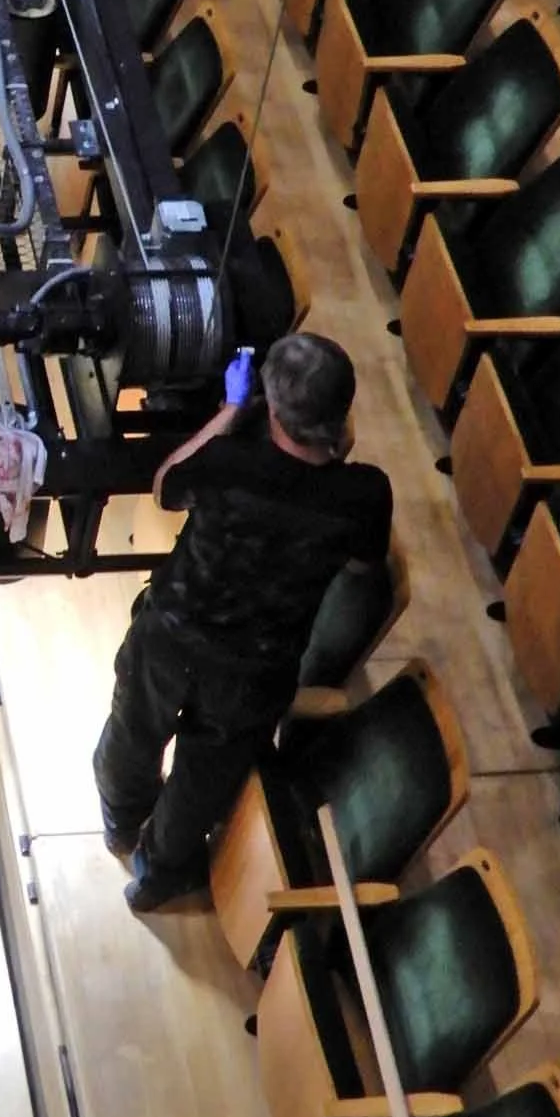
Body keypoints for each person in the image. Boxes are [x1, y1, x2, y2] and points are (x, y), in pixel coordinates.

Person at [94, 331, 393, 915]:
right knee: (202, 781)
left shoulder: (229, 462)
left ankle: (120, 819)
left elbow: (166, 487)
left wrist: (229, 411)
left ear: (270, 404)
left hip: (170, 639)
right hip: (255, 672)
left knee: (133, 730)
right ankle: (157, 876)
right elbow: (363, 563)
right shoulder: (365, 495)